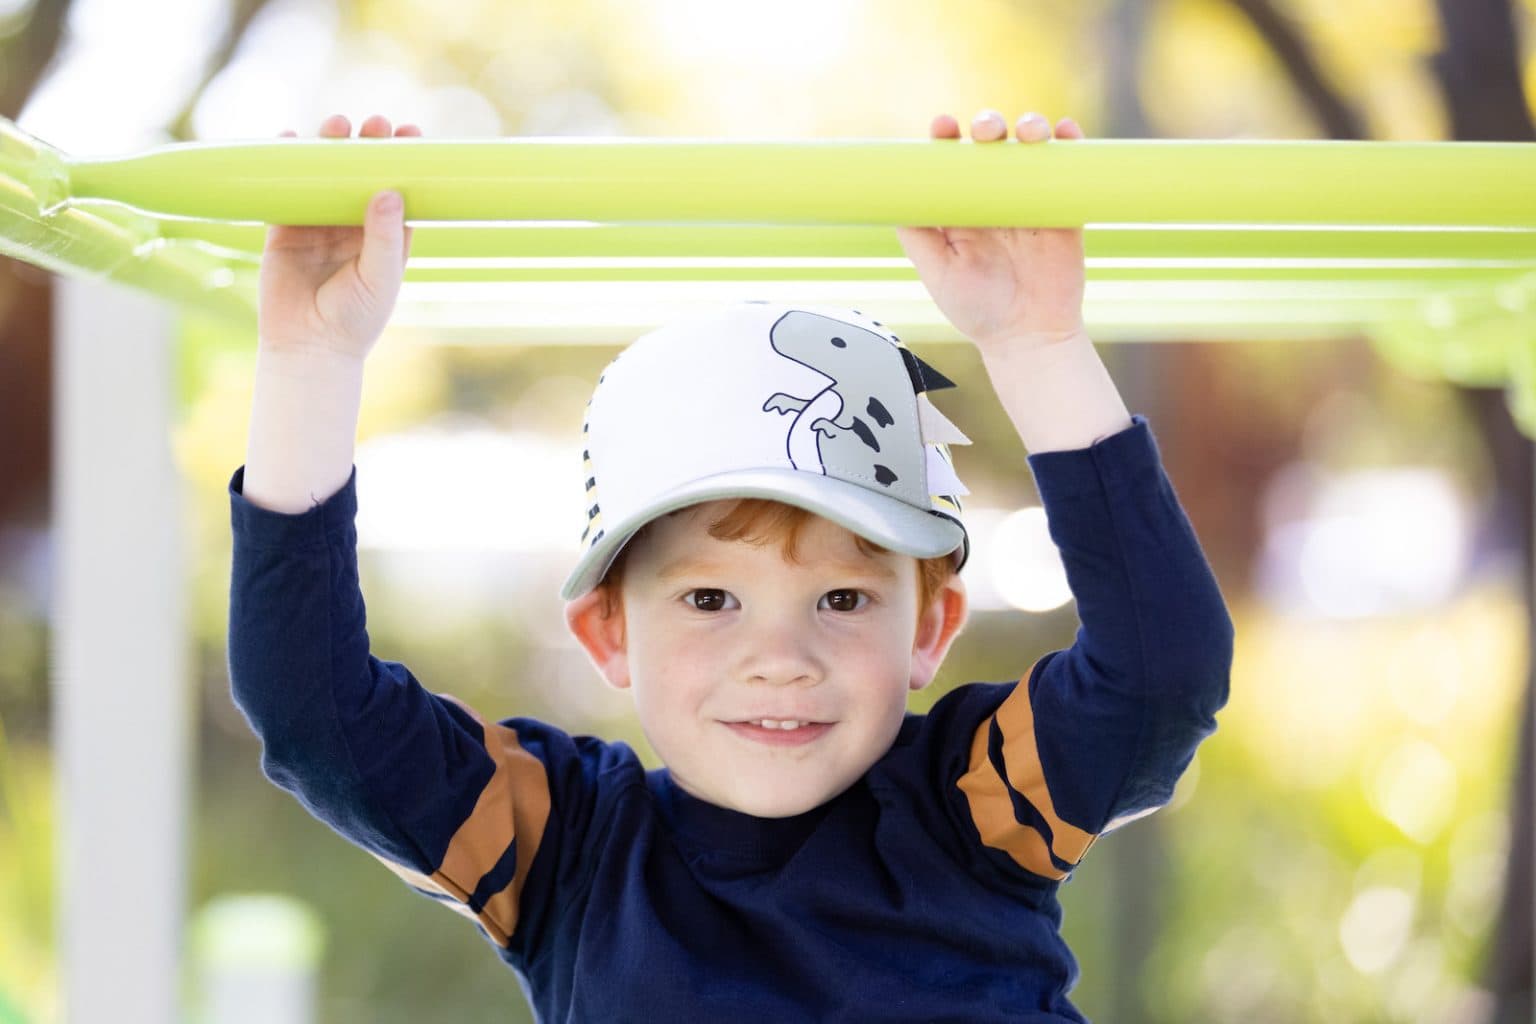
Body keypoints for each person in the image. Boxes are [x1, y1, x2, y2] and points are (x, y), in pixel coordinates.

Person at [227, 108, 1234, 1022]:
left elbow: (1161, 677)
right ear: (608, 631)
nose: (780, 657)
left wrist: (1035, 345)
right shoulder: (566, 851)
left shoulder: (972, 807)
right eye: (711, 597)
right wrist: (309, 371)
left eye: (842, 597)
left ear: (928, 627)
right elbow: (316, 714)